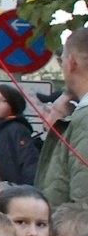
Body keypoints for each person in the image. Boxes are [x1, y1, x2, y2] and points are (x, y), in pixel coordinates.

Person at [39, 31, 88, 207]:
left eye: (62, 60)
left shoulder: (85, 120)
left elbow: (83, 203)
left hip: (74, 233)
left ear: (71, 62)